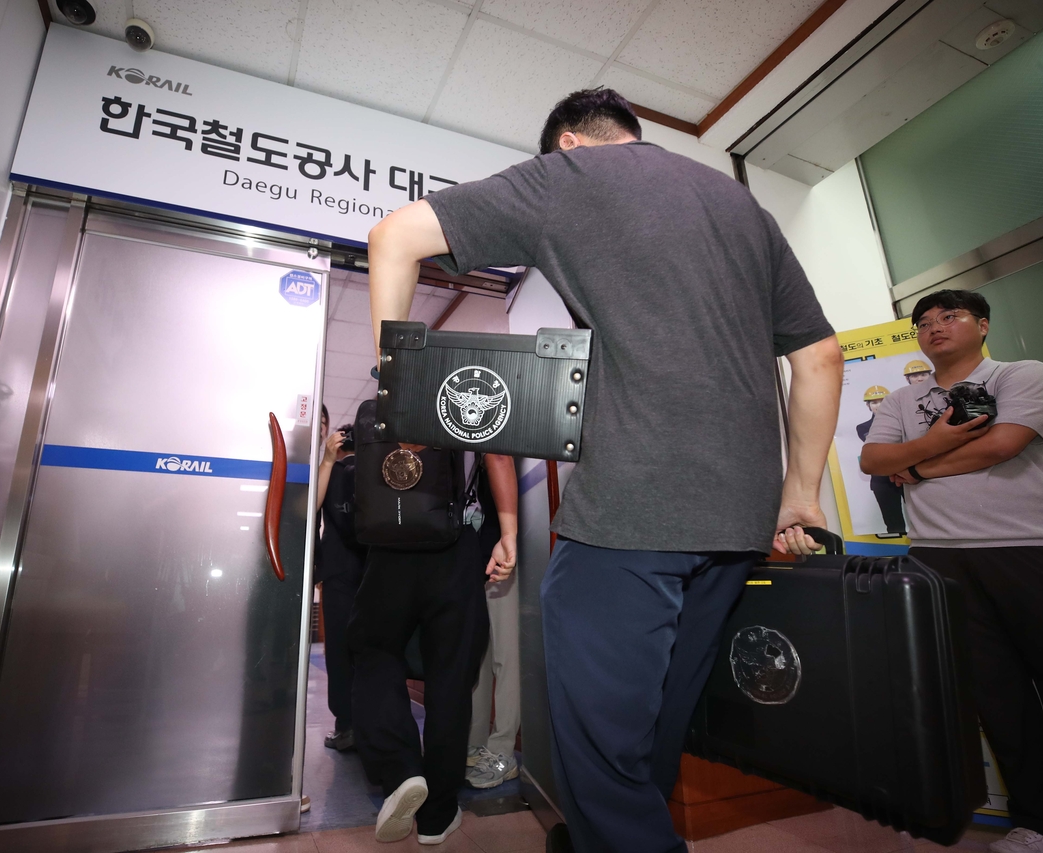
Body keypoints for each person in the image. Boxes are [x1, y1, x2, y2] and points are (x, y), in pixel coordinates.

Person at [366, 88, 842, 852]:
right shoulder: (741, 207)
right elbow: (819, 354)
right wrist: (800, 493)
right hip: (740, 513)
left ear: (569, 145)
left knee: (597, 745)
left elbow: (393, 237)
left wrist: (395, 380)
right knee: (656, 720)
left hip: (632, 505)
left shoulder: (566, 177)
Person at [861, 290, 1043, 853]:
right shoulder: (901, 400)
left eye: (951, 316)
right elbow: (871, 462)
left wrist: (915, 462)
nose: (935, 326)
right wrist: (925, 448)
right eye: (924, 322)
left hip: (1035, 547)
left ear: (982, 325)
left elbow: (1002, 445)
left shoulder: (1019, 375)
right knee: (999, 700)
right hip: (939, 556)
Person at [346, 449, 518, 845]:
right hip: (455, 546)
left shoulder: (393, 386)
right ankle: (437, 816)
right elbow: (497, 457)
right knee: (452, 677)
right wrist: (506, 536)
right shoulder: (472, 386)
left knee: (374, 652)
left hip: (390, 545)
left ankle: (402, 772)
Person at [465, 459, 521, 791]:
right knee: (479, 657)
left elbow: (504, 464)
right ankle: (474, 746)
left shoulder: (498, 432)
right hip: (473, 556)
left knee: (506, 656)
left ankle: (503, 752)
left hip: (502, 552)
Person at [314, 407, 364, 753]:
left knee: (339, 654)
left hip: (336, 572)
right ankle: (369, 725)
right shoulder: (373, 473)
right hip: (371, 568)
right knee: (370, 653)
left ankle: (346, 726)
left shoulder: (328, 472)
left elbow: (310, 517)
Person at [857, 385, 907, 534]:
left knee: (924, 520)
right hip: (882, 481)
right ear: (868, 406)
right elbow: (879, 449)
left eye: (883, 401)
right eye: (874, 402)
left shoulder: (906, 421)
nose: (879, 405)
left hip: (909, 476)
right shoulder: (863, 427)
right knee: (893, 524)